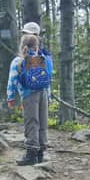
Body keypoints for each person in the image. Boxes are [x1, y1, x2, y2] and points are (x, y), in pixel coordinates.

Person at [7, 34, 53, 166]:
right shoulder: (43, 58)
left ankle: (31, 154)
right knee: (43, 122)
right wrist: (48, 97)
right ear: (37, 46)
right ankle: (41, 153)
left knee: (32, 122)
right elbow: (48, 80)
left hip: (28, 95)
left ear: (22, 46)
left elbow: (12, 81)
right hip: (43, 93)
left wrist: (10, 97)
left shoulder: (18, 61)